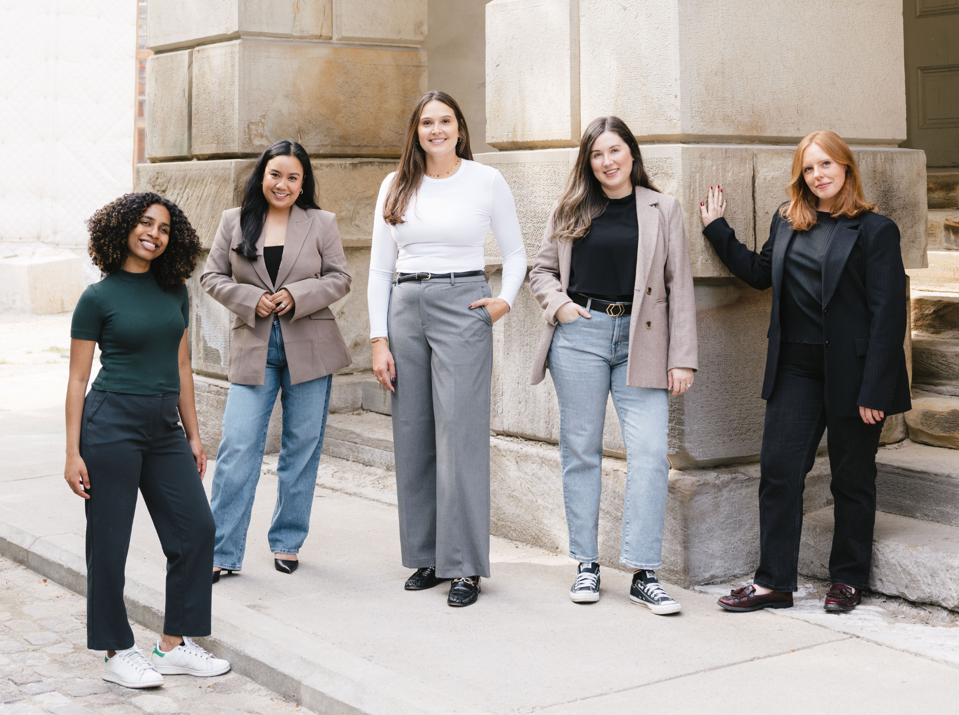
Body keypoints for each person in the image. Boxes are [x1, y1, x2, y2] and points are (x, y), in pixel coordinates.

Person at [703, 130, 910, 613]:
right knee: (779, 472)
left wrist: (876, 387)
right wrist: (717, 228)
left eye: (826, 165)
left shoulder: (876, 230)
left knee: (851, 478)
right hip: (795, 367)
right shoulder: (788, 219)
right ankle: (774, 582)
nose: (818, 175)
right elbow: (759, 273)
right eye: (809, 168)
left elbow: (888, 316)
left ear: (846, 169)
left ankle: (847, 578)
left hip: (854, 373)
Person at [529, 116, 697, 613]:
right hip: (580, 334)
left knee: (648, 454)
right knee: (580, 450)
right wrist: (558, 304)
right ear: (589, 161)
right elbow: (541, 269)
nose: (606, 162)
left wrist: (682, 357)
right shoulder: (571, 207)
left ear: (631, 153)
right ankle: (586, 563)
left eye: (614, 151)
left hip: (642, 341)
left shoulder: (663, 208)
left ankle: (644, 572)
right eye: (597, 154)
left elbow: (679, 286)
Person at [65, 192, 231, 688]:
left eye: (163, 228)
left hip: (164, 429)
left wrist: (195, 436)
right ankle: (117, 651)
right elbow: (77, 379)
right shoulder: (97, 297)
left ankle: (173, 645)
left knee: (197, 529)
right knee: (110, 542)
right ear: (122, 229)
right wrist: (72, 451)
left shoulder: (174, 290)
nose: (153, 234)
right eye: (144, 223)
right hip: (110, 423)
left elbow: (182, 365)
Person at [368, 91, 527, 607]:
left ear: (460, 128)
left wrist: (503, 301)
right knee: (413, 432)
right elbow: (377, 268)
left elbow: (516, 251)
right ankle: (428, 557)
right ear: (416, 130)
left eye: (445, 121)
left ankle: (464, 566)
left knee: (460, 434)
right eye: (426, 122)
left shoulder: (485, 181)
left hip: (464, 301)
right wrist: (378, 338)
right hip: (405, 303)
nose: (436, 129)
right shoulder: (396, 185)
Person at [201, 140, 351, 581]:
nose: (282, 184)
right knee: (237, 448)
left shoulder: (321, 223)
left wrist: (296, 295)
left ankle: (287, 541)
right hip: (254, 349)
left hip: (311, 347)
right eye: (275, 174)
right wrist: (253, 299)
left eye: (292, 177)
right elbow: (212, 275)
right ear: (261, 175)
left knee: (301, 448)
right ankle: (221, 552)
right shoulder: (234, 221)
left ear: (303, 183)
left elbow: (340, 277)